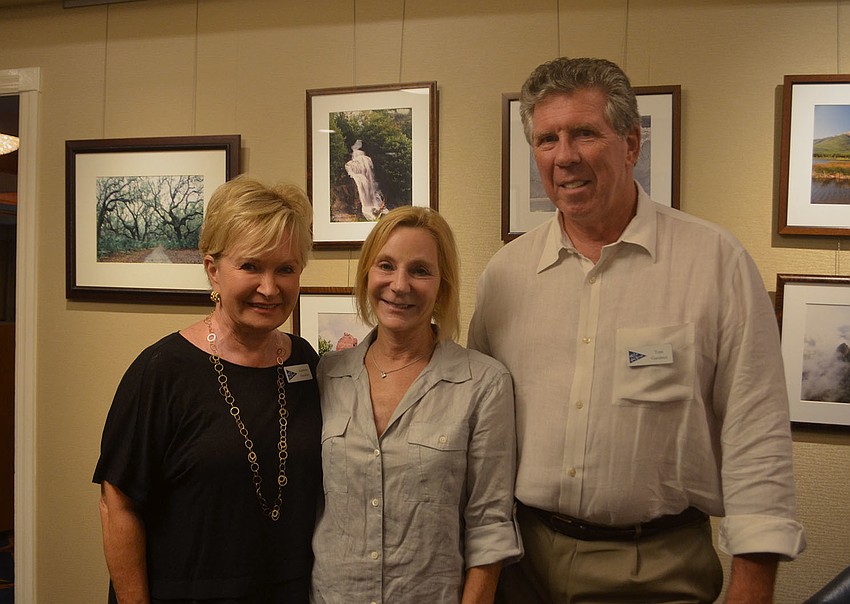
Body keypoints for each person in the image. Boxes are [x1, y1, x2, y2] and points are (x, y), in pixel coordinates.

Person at [467, 57, 806, 603]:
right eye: (546, 139)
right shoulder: (505, 275)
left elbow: (757, 434)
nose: (564, 156)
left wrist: (753, 586)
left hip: (657, 569)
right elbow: (479, 435)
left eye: (584, 133)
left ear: (631, 143)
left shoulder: (714, 261)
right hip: (522, 565)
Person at [93, 175, 321, 603]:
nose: (269, 288)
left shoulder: (304, 362)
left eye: (285, 269)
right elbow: (117, 504)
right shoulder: (162, 371)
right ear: (213, 270)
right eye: (251, 266)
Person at [311, 206, 522, 603]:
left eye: (420, 271)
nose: (399, 284)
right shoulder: (326, 374)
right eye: (386, 266)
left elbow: (489, 525)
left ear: (442, 285)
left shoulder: (483, 384)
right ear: (367, 275)